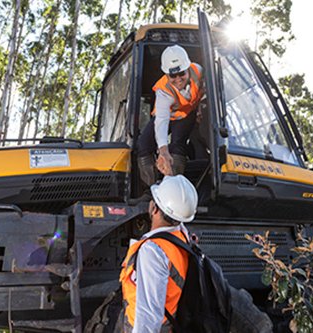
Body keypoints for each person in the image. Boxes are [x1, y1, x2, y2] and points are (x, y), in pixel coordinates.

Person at [120, 175, 198, 332]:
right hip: (169, 317)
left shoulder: (153, 251)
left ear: (154, 208)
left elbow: (149, 315)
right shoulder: (182, 236)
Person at [137, 44, 204, 186]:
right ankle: (151, 189)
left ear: (188, 69)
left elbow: (208, 89)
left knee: (177, 145)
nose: (178, 79)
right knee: (143, 144)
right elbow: (162, 120)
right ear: (167, 75)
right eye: (173, 75)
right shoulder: (163, 90)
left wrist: (201, 107)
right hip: (169, 116)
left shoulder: (198, 71)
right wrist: (163, 151)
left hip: (186, 115)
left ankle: (175, 186)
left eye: (182, 74)